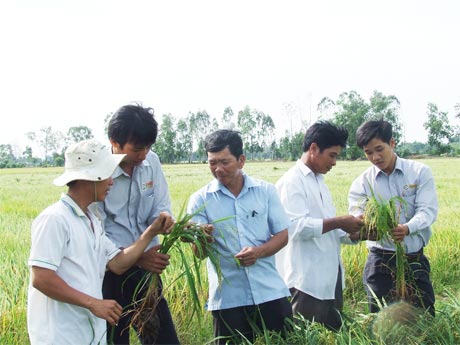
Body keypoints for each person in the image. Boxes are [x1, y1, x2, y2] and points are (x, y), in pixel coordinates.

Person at [27, 139, 174, 345]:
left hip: (87, 332)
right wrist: (93, 303)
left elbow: (118, 263)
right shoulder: (55, 219)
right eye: (107, 175)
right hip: (61, 334)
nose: (112, 182)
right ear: (89, 179)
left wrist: (150, 232)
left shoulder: (92, 222)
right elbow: (41, 278)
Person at [187, 129, 293, 344]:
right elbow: (198, 254)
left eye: (224, 162)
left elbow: (282, 235)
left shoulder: (265, 191)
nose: (218, 169)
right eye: (212, 163)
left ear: (241, 160)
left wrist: (258, 252)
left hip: (269, 291)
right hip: (228, 299)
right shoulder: (200, 199)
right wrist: (203, 239)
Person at [100, 104, 180, 344]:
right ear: (114, 141)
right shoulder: (98, 172)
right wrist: (136, 256)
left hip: (147, 271)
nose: (143, 154)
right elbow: (96, 233)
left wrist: (167, 221)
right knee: (115, 339)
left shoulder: (151, 162)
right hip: (108, 275)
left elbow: (160, 205)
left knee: (162, 339)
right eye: (137, 148)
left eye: (148, 147)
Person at [274, 121, 363, 331]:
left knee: (332, 336)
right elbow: (296, 227)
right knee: (306, 337)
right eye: (332, 155)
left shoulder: (319, 181)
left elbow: (328, 228)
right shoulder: (292, 182)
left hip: (329, 279)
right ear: (313, 148)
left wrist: (356, 233)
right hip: (306, 282)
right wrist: (341, 221)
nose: (334, 162)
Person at [348, 119, 437, 316]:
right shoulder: (362, 183)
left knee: (424, 316)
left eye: (379, 149)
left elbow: (427, 210)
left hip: (414, 258)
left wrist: (407, 228)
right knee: (381, 320)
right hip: (380, 261)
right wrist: (367, 226)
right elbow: (357, 216)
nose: (375, 157)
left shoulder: (419, 172)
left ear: (392, 143)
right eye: (368, 152)